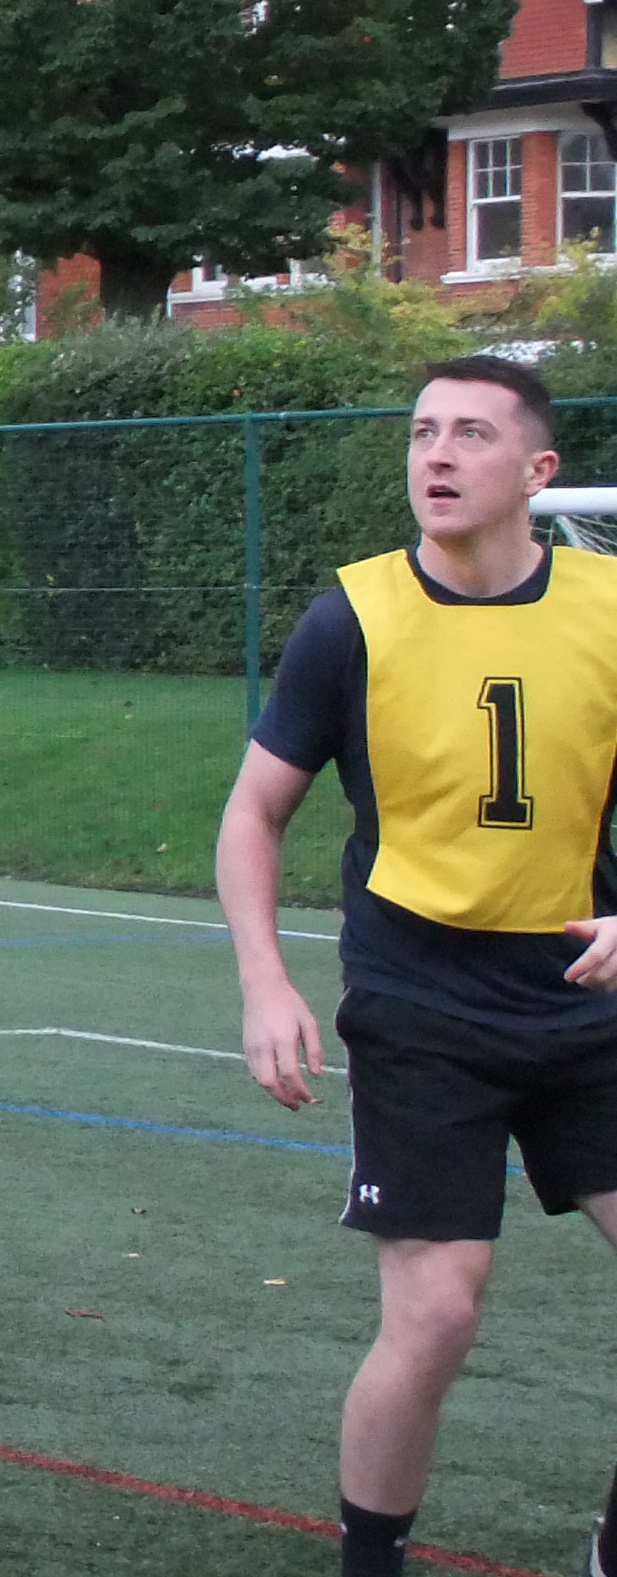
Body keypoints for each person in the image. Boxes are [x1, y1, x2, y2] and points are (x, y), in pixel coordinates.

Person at [222, 355, 617, 1577]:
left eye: (470, 435)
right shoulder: (352, 616)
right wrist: (265, 981)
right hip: (420, 1003)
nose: (435, 454)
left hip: (581, 999)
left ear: (537, 474)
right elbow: (252, 814)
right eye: (420, 432)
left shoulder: (608, 606)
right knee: (439, 1311)